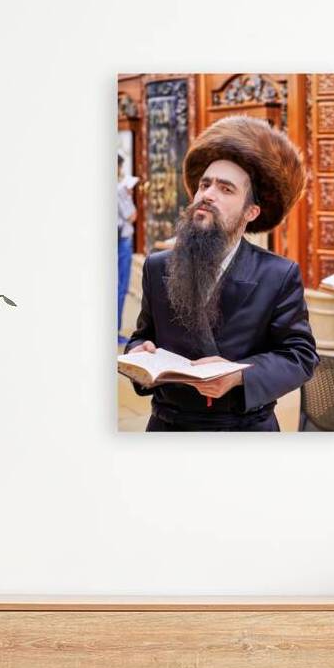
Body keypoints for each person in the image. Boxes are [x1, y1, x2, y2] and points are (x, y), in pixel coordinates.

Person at [126, 115, 319, 431]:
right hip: (168, 427)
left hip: (243, 428)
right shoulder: (158, 266)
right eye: (205, 184)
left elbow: (300, 356)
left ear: (250, 212)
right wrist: (137, 351)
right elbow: (142, 336)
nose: (207, 194)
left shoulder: (279, 274)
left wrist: (240, 374)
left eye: (226, 188)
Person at [117, 154, 138, 345]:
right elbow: (131, 215)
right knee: (120, 286)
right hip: (121, 241)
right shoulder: (119, 190)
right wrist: (128, 197)